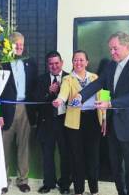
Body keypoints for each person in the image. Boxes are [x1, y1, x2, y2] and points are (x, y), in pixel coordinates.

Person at [76, 31, 129, 195]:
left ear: (126, 46)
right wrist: (81, 95)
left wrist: (110, 103)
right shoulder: (111, 65)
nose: (112, 52)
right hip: (113, 125)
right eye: (110, 49)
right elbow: (99, 83)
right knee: (115, 166)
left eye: (115, 48)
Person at [52, 50, 103, 195]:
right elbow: (63, 93)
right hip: (74, 123)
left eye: (81, 60)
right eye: (75, 60)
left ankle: (94, 190)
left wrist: (104, 118)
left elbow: (104, 96)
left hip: (93, 120)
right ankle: (79, 190)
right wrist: (59, 100)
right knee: (76, 158)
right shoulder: (67, 79)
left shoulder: (95, 77)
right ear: (72, 62)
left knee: (93, 158)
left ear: (87, 62)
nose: (78, 63)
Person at [0, 32, 38, 193]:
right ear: (9, 46)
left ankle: (23, 180)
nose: (20, 48)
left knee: (24, 146)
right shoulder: (0, 63)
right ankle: (2, 180)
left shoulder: (30, 63)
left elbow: (34, 87)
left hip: (25, 109)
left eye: (22, 45)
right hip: (6, 109)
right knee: (4, 147)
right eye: (17, 45)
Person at [35, 51, 72, 194]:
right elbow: (36, 102)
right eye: (51, 64)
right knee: (47, 155)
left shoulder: (70, 78)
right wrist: (48, 92)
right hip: (47, 123)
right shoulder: (41, 79)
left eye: (57, 63)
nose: (54, 66)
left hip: (65, 123)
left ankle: (64, 185)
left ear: (61, 63)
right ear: (47, 65)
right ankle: (48, 183)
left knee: (65, 155)